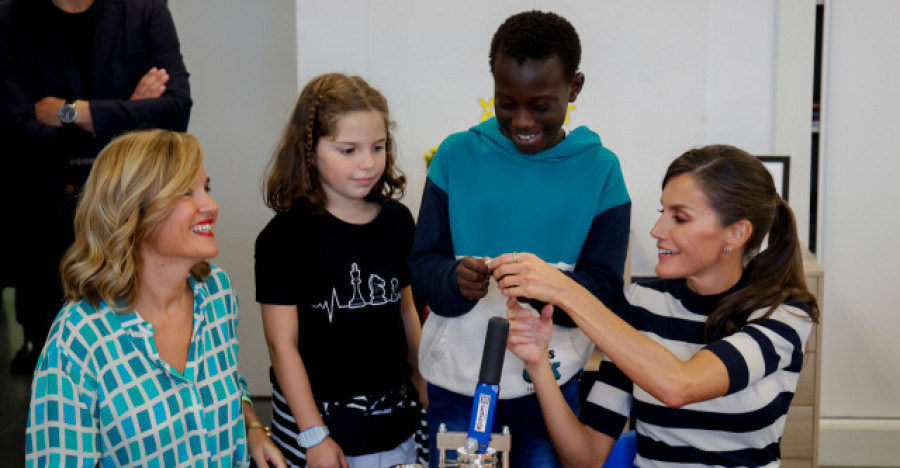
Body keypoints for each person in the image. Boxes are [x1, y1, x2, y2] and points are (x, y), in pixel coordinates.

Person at [494, 145, 820, 467]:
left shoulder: (782, 314)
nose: (657, 231)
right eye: (661, 212)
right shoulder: (641, 303)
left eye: (679, 217)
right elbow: (585, 457)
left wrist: (566, 291)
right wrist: (539, 365)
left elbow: (679, 386)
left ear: (736, 233)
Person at [409, 10, 631, 467]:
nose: (522, 120)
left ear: (574, 88)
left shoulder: (601, 171)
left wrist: (549, 287)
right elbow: (422, 265)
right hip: (457, 389)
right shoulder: (456, 156)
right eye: (506, 103)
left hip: (547, 390)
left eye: (541, 104)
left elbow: (603, 291)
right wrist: (453, 281)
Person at [24, 130, 285, 467]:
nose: (211, 205)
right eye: (186, 193)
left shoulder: (216, 293)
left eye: (206, 188)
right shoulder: (78, 340)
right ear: (134, 212)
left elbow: (230, 382)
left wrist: (252, 427)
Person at [0, 0, 192, 374]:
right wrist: (128, 112)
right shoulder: (10, 18)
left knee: (141, 365)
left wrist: (72, 112)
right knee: (56, 366)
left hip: (133, 213)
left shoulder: (144, 9)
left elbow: (176, 111)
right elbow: (15, 133)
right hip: (44, 223)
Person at [255, 73, 427, 468]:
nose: (368, 163)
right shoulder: (283, 237)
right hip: (316, 427)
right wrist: (314, 434)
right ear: (310, 150)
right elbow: (283, 347)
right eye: (348, 150)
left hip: (392, 419)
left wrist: (421, 376)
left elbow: (405, 309)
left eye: (378, 147)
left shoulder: (398, 222)